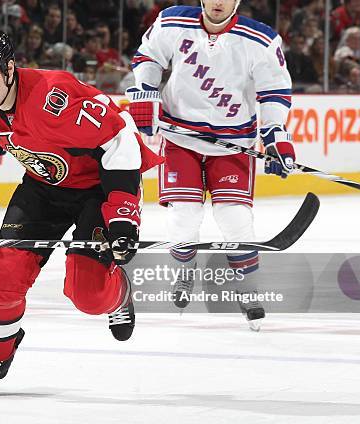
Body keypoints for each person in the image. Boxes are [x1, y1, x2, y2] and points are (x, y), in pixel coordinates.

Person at [0, 27, 161, 394]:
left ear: (9, 69)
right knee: (3, 274)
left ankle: (120, 291)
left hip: (98, 188)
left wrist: (122, 213)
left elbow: (119, 137)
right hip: (43, 187)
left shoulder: (54, 97)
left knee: (89, 295)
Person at [126, 0, 295, 330]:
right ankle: (184, 271)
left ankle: (248, 289)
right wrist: (145, 91)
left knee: (234, 218)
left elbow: (274, 90)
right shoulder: (172, 21)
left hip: (233, 144)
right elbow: (148, 57)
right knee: (183, 216)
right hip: (180, 137)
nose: (218, 2)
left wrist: (275, 133)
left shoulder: (260, 39)